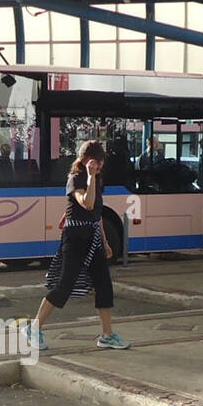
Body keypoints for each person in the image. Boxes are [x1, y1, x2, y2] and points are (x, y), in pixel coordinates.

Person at [27, 140, 130, 352]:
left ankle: (107, 335)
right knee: (65, 284)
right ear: (83, 160)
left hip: (92, 237)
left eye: (101, 162)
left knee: (104, 284)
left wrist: (104, 240)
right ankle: (34, 328)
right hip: (75, 238)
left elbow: (96, 214)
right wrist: (91, 177)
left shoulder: (96, 180)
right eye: (95, 161)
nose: (99, 165)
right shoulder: (75, 179)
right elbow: (87, 203)